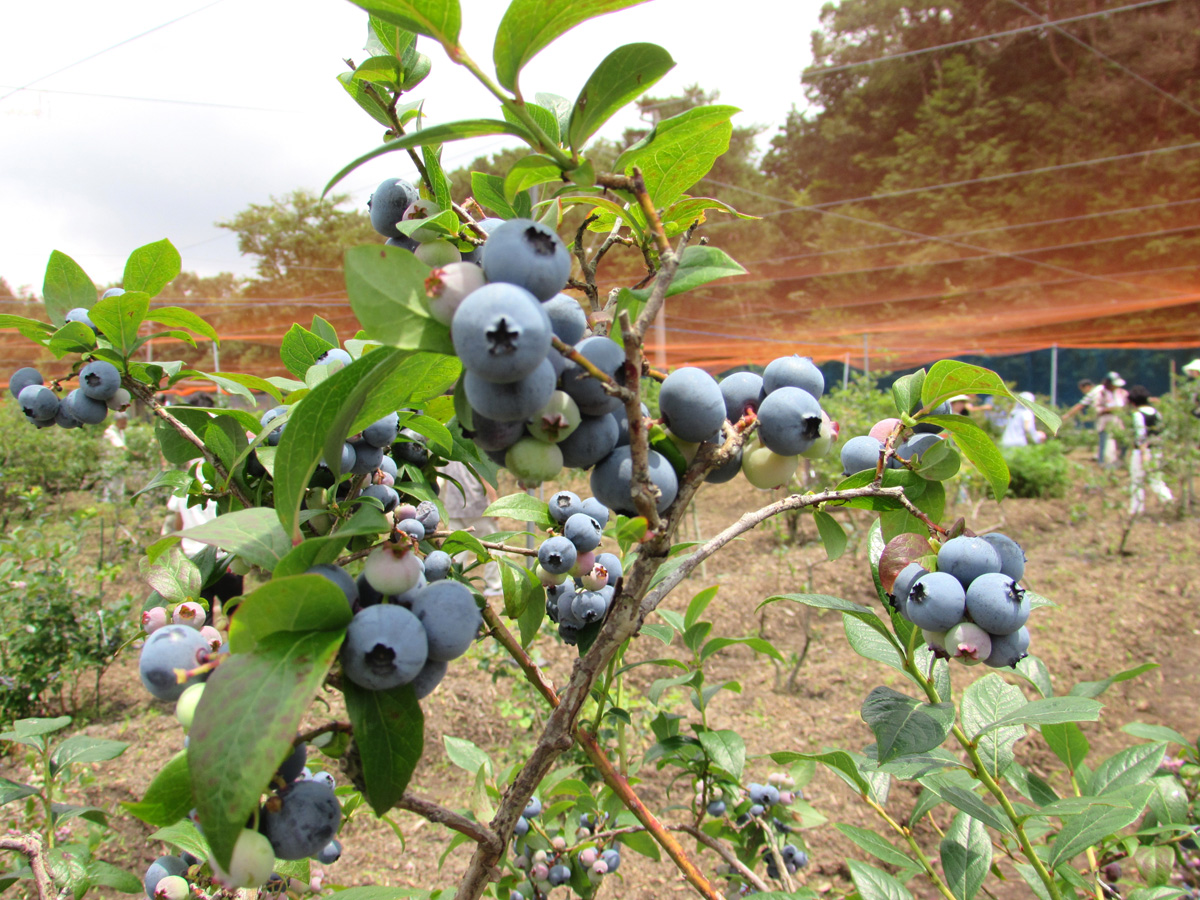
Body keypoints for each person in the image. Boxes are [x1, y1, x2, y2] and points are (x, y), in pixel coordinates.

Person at [438, 459, 503, 600]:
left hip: (453, 507)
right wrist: (495, 503)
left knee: (456, 550)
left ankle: (454, 583)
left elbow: (442, 482)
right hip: (476, 506)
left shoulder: (447, 456)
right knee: (495, 545)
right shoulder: (475, 454)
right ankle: (495, 585)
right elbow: (485, 477)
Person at [1126, 385, 1173, 516]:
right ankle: (1168, 500)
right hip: (1156, 449)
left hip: (1142, 451)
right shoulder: (1157, 413)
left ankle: (1136, 509)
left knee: (1137, 480)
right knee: (1156, 479)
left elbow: (1141, 436)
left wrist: (1143, 454)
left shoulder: (1137, 415)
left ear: (1133, 402)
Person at [1064, 372, 1127, 466]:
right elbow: (1088, 406)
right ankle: (1102, 462)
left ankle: (1120, 460)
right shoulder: (1099, 392)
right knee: (1104, 441)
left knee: (1122, 439)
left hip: (1117, 418)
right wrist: (1067, 415)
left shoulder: (1118, 392)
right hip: (1105, 419)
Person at [100, 413, 128, 502]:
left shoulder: (121, 432)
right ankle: (108, 503)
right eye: (124, 422)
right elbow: (120, 446)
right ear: (119, 421)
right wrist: (134, 454)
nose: (125, 424)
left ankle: (119, 502)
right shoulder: (110, 432)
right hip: (111, 462)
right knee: (111, 484)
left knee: (119, 483)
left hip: (119, 462)